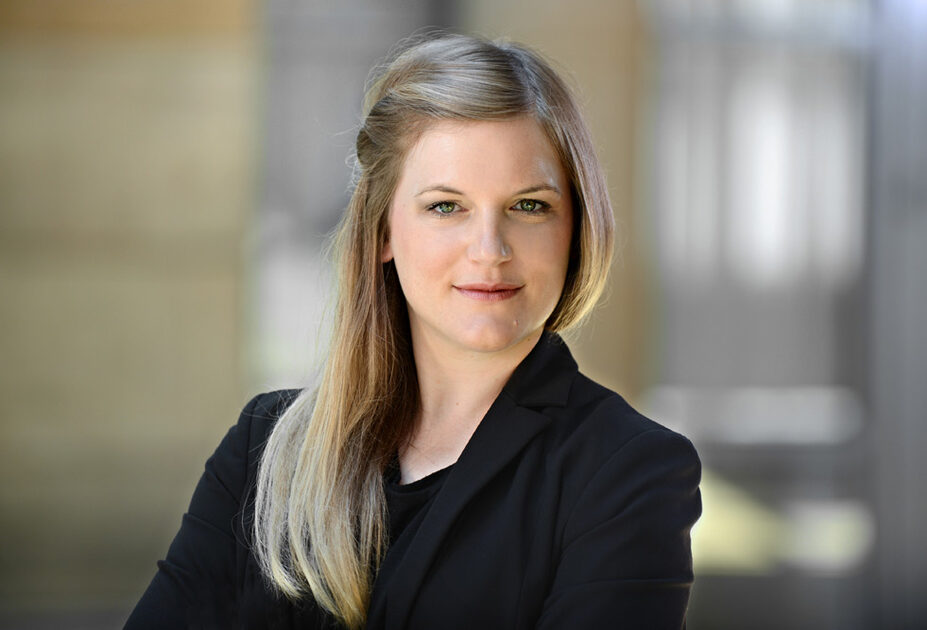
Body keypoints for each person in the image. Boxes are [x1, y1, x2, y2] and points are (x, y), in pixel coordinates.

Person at [125, 33, 702, 630]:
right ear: (382, 234)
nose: (490, 250)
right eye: (446, 206)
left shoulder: (629, 474)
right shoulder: (263, 454)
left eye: (529, 206)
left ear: (576, 229)